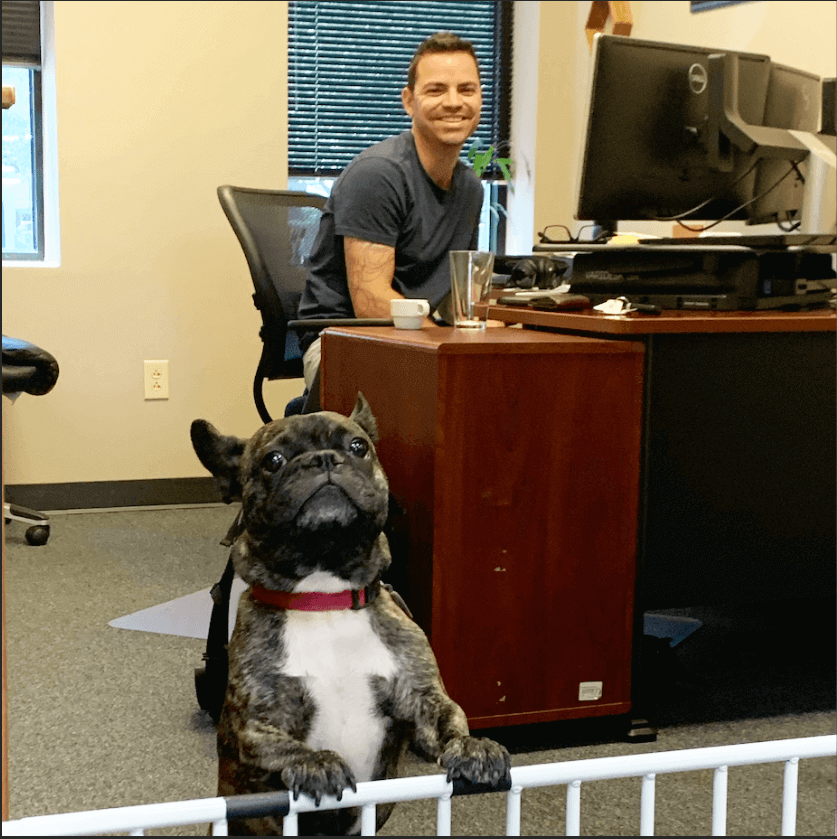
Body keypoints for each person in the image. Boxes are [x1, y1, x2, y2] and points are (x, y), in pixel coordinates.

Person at [296, 31, 490, 391]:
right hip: (342, 342)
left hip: (419, 340)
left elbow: (458, 297)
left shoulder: (470, 188)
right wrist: (450, 342)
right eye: (435, 90)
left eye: (466, 90)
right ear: (408, 101)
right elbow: (371, 304)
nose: (453, 102)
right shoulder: (379, 174)